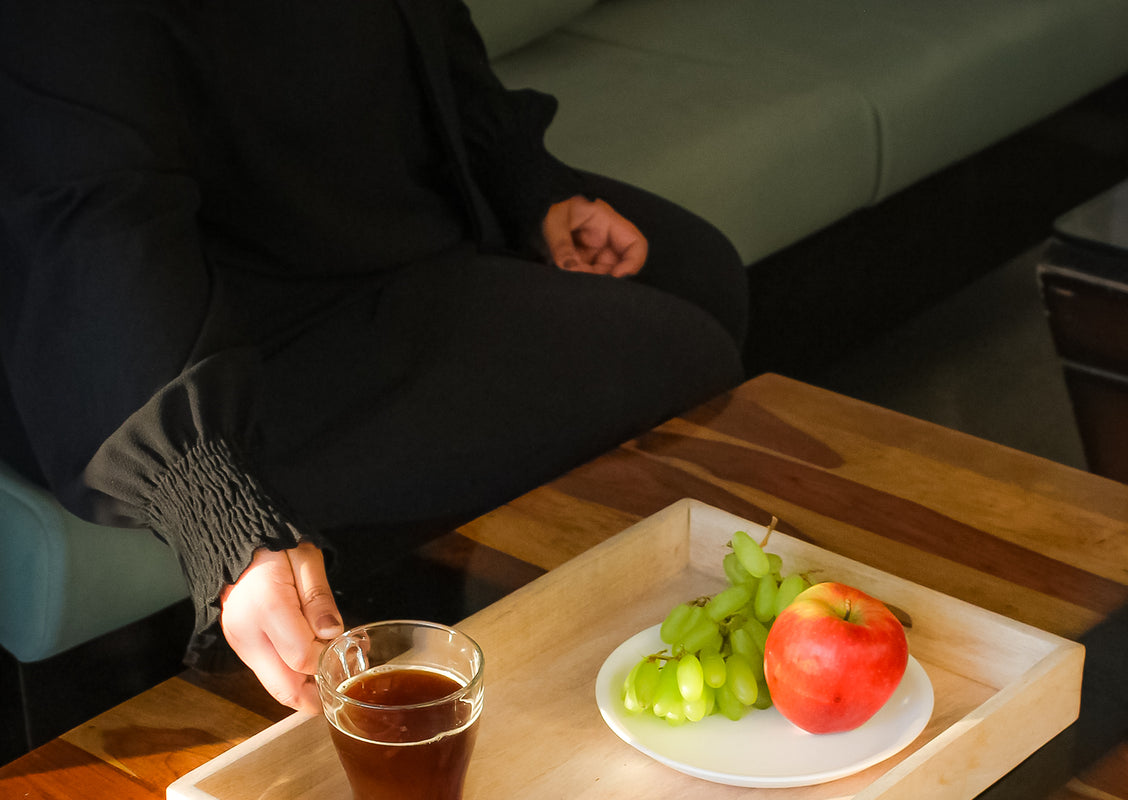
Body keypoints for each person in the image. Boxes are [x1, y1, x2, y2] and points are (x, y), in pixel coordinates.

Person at [0, 0, 748, 713]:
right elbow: (95, 231)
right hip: (202, 321)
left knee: (700, 273)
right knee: (679, 355)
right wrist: (215, 509)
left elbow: (426, 32)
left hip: (362, 219)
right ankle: (471, 640)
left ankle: (512, 601)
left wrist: (525, 185)